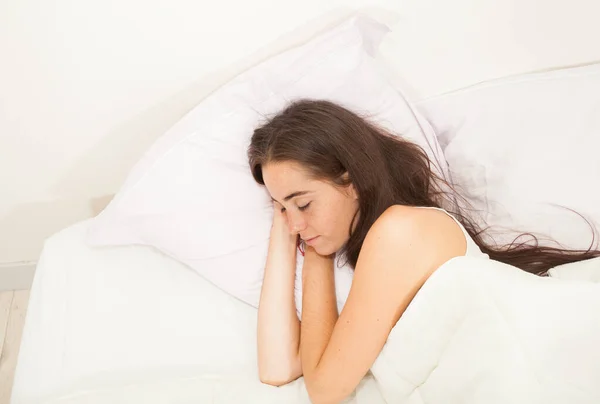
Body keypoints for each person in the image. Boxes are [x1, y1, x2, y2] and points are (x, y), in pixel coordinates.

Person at [246, 99, 599, 404]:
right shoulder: (371, 246)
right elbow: (280, 368)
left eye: (303, 204)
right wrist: (294, 226)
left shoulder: (399, 231)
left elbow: (324, 390)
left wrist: (315, 260)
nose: (293, 225)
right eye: (279, 209)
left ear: (350, 179)